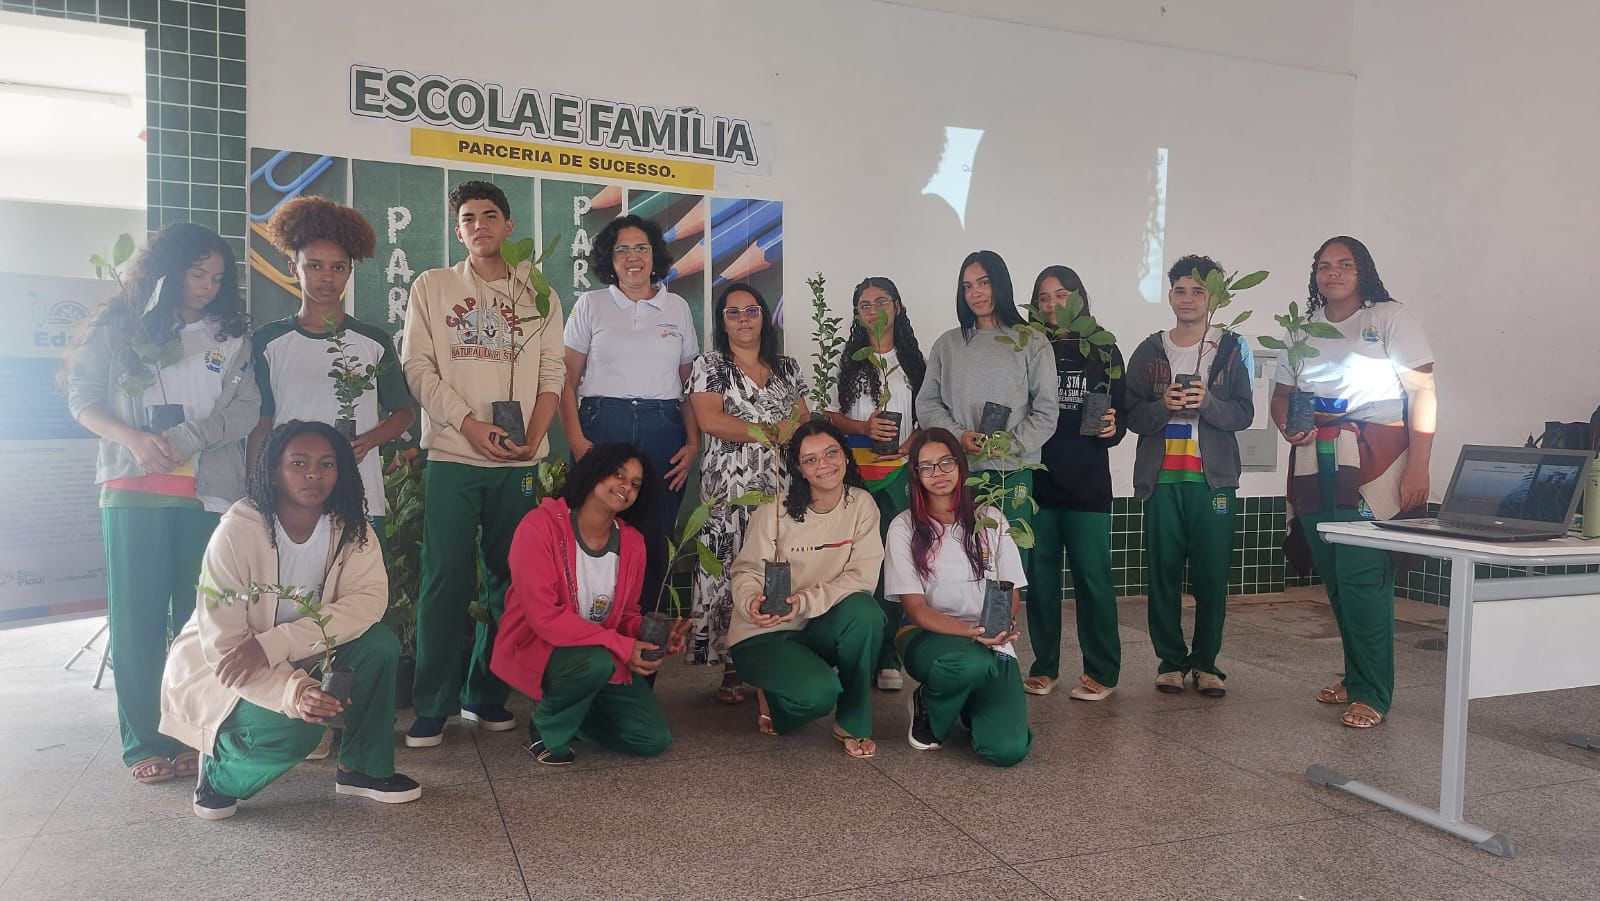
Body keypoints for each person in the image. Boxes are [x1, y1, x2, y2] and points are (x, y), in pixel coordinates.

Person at [65, 222, 260, 785]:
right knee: (137, 622)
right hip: (133, 492)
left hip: (208, 495)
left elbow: (246, 409)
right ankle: (143, 741)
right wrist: (134, 440)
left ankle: (190, 734)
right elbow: (82, 399)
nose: (207, 286)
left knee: (202, 624)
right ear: (167, 270)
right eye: (197, 274)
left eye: (217, 277)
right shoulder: (120, 325)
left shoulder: (230, 334)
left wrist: (192, 437)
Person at [160, 421, 420, 819]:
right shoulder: (236, 533)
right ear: (273, 473)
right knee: (300, 727)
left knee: (378, 644)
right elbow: (225, 646)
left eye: (326, 464)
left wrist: (276, 645)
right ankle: (219, 773)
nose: (314, 473)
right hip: (226, 666)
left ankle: (363, 768)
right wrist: (294, 693)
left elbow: (367, 602)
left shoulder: (351, 527)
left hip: (296, 652)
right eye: (299, 463)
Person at [401, 181, 565, 746]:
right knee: (444, 578)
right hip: (454, 454)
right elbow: (418, 368)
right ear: (458, 230)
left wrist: (533, 438)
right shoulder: (432, 286)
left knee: (510, 582)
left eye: (490, 215)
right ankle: (432, 704)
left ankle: (485, 693)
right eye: (468, 218)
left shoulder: (539, 292)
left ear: (509, 226)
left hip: (518, 462)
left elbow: (552, 373)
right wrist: (469, 424)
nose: (480, 225)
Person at [1273, 236, 1435, 729]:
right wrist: (1287, 425)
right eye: (1324, 265)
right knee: (1336, 576)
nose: (1334, 273)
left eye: (1345, 264)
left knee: (1364, 576)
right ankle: (1354, 674)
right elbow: (1282, 396)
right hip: (1314, 457)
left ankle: (1373, 692)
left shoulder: (1389, 317)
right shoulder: (1302, 329)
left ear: (1363, 270)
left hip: (1373, 458)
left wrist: (1420, 465)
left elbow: (1422, 392)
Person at [493, 443, 687, 765]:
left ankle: (574, 718)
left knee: (653, 738)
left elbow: (626, 615)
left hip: (603, 655)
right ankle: (546, 728)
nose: (626, 486)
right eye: (618, 474)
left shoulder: (633, 543)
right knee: (595, 662)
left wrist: (654, 638)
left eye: (635, 484)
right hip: (543, 648)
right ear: (595, 471)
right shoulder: (539, 526)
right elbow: (544, 617)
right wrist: (620, 645)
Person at [249, 195, 415, 545]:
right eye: (315, 266)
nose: (327, 277)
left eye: (338, 268)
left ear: (350, 271)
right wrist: (255, 490)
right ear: (294, 268)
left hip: (359, 492)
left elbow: (404, 413)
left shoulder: (373, 341)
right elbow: (261, 423)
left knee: (359, 578)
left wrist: (369, 441)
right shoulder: (267, 342)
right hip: (289, 495)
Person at [1125, 254, 1254, 697]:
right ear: (1169, 295)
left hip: (1212, 481)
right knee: (1162, 574)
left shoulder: (1230, 348)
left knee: (1212, 576)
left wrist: (1208, 403)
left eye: (1198, 291)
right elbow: (1132, 415)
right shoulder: (1150, 350)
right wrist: (1164, 406)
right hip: (1162, 479)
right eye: (1180, 290)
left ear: (1213, 298)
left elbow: (1244, 413)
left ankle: (1206, 663)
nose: (1188, 298)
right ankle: (1170, 662)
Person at [560, 215, 700, 619]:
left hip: (663, 429)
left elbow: (688, 385)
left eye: (641, 248)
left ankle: (646, 644)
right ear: (610, 258)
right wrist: (577, 442)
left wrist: (693, 443)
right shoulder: (591, 305)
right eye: (622, 249)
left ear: (655, 255)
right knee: (593, 533)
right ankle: (586, 635)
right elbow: (566, 381)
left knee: (655, 538)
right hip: (603, 426)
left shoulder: (677, 307)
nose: (632, 257)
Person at [728, 419, 885, 758]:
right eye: (810, 459)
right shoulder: (775, 512)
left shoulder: (861, 505)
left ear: (845, 456)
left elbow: (861, 578)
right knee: (818, 695)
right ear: (798, 468)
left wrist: (803, 602)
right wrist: (751, 601)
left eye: (831, 453)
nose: (823, 465)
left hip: (816, 623)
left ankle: (852, 722)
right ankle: (774, 696)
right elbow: (746, 572)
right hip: (764, 632)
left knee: (865, 612)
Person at [686, 283, 809, 702]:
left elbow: (803, 416)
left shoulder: (787, 367)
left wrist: (787, 430)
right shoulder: (711, 364)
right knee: (728, 571)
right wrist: (766, 432)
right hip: (729, 490)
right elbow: (710, 420)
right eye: (733, 312)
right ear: (722, 322)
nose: (743, 319)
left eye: (751, 311)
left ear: (763, 318)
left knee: (776, 566)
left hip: (780, 487)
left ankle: (775, 658)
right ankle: (732, 667)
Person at [885, 429, 1031, 766]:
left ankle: (966, 700)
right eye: (926, 466)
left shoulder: (990, 518)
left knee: (1007, 750)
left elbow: (1011, 590)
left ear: (961, 464)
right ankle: (929, 708)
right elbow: (915, 609)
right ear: (915, 474)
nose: (938, 473)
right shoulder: (904, 527)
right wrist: (971, 633)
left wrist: (1001, 625)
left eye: (946, 462)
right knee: (970, 663)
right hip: (929, 637)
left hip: (989, 641)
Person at [915, 251, 1058, 574]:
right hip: (958, 472)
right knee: (961, 561)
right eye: (967, 286)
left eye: (983, 283)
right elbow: (927, 404)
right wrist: (958, 437)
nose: (975, 293)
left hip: (1012, 472)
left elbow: (1047, 411)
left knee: (1009, 564)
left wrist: (1010, 444)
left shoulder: (1032, 342)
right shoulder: (947, 345)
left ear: (1000, 284)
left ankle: (1007, 611)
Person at [1023, 266, 1127, 700]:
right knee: (1041, 584)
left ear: (1079, 298)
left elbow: (1120, 417)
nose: (1052, 304)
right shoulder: (1028, 346)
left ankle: (1102, 670)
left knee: (1093, 583)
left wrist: (1113, 429)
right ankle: (1044, 666)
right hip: (1038, 486)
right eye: (1044, 297)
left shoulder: (1103, 349)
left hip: (1087, 487)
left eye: (1061, 295)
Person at [824, 276, 926, 692]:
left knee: (893, 559)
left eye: (881, 301)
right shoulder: (846, 362)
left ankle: (887, 654)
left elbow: (929, 415)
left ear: (898, 307)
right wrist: (863, 427)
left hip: (900, 472)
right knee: (852, 559)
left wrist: (913, 442)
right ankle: (851, 653)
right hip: (855, 471)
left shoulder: (914, 363)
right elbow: (829, 415)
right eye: (864, 305)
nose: (873, 310)